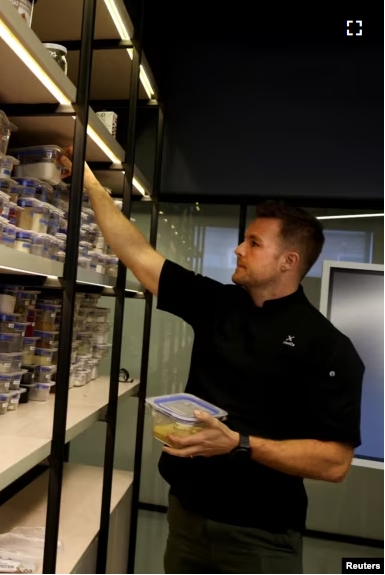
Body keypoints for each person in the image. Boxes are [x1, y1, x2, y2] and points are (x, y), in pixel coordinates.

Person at [74, 162, 364, 574]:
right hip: (187, 517)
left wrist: (239, 443)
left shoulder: (329, 348)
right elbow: (138, 254)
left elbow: (334, 463)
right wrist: (90, 184)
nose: (238, 249)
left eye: (254, 243)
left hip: (261, 537)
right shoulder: (219, 305)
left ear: (288, 261)